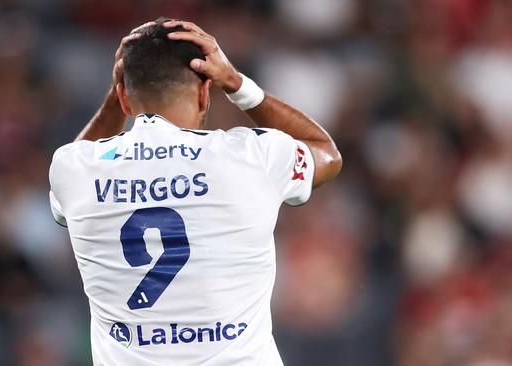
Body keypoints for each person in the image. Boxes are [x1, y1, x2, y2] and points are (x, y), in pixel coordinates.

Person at [49, 17, 342, 365]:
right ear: (205, 93)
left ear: (125, 97)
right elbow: (325, 152)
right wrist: (237, 84)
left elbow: (71, 182)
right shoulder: (250, 156)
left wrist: (116, 98)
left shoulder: (73, 169)